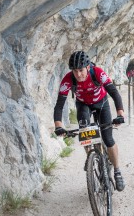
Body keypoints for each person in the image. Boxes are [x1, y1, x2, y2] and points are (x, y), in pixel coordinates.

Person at [53, 51, 126, 191]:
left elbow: (114, 92)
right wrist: (58, 126)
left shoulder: (97, 73)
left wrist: (120, 114)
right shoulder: (68, 79)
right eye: (75, 71)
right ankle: (92, 156)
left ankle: (117, 171)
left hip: (101, 103)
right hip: (83, 105)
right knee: (86, 133)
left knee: (108, 139)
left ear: (87, 67)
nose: (78, 74)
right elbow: (59, 105)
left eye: (81, 70)